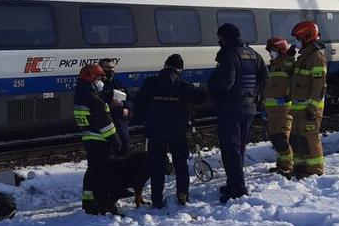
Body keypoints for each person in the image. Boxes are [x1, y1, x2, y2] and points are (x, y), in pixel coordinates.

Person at [134, 54, 205, 208]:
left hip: (155, 132)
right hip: (177, 132)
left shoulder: (150, 83)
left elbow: (138, 104)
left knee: (156, 166)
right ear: (180, 69)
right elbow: (200, 98)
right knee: (180, 165)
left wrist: (144, 121)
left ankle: (157, 199)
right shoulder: (183, 85)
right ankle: (182, 195)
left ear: (165, 66)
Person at [209, 23, 268, 203]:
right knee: (239, 149)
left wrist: (212, 91)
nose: (219, 41)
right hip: (249, 107)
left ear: (226, 37)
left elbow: (225, 82)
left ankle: (237, 190)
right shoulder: (254, 54)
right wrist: (258, 98)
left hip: (231, 108)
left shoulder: (229, 55)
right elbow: (265, 78)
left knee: (231, 150)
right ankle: (234, 183)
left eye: (220, 38)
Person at [73, 63, 121, 214]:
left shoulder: (81, 94)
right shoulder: (93, 99)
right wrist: (116, 140)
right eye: (99, 78)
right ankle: (102, 203)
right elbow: (105, 123)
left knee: (92, 171)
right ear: (92, 78)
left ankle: (88, 201)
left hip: (89, 138)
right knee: (102, 173)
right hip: (100, 140)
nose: (101, 81)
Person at [288, 21, 327, 179]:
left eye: (297, 38)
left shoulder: (316, 57)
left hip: (308, 109)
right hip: (299, 109)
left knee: (309, 139)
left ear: (307, 37)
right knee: (297, 139)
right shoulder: (304, 57)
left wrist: (312, 108)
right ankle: (300, 167)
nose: (295, 42)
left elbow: (320, 86)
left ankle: (315, 170)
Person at [263, 37, 296, 178]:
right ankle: (281, 165)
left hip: (283, 108)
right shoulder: (274, 65)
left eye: (273, 51)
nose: (271, 54)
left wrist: (289, 97)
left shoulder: (286, 63)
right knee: (275, 138)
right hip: (272, 110)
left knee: (282, 139)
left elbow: (295, 81)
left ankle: (288, 166)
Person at [99, 58, 132, 156]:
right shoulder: (98, 85)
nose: (110, 70)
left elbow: (131, 101)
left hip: (121, 123)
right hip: (106, 124)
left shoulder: (118, 84)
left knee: (125, 148)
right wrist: (110, 104)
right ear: (101, 68)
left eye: (112, 67)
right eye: (107, 67)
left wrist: (123, 105)